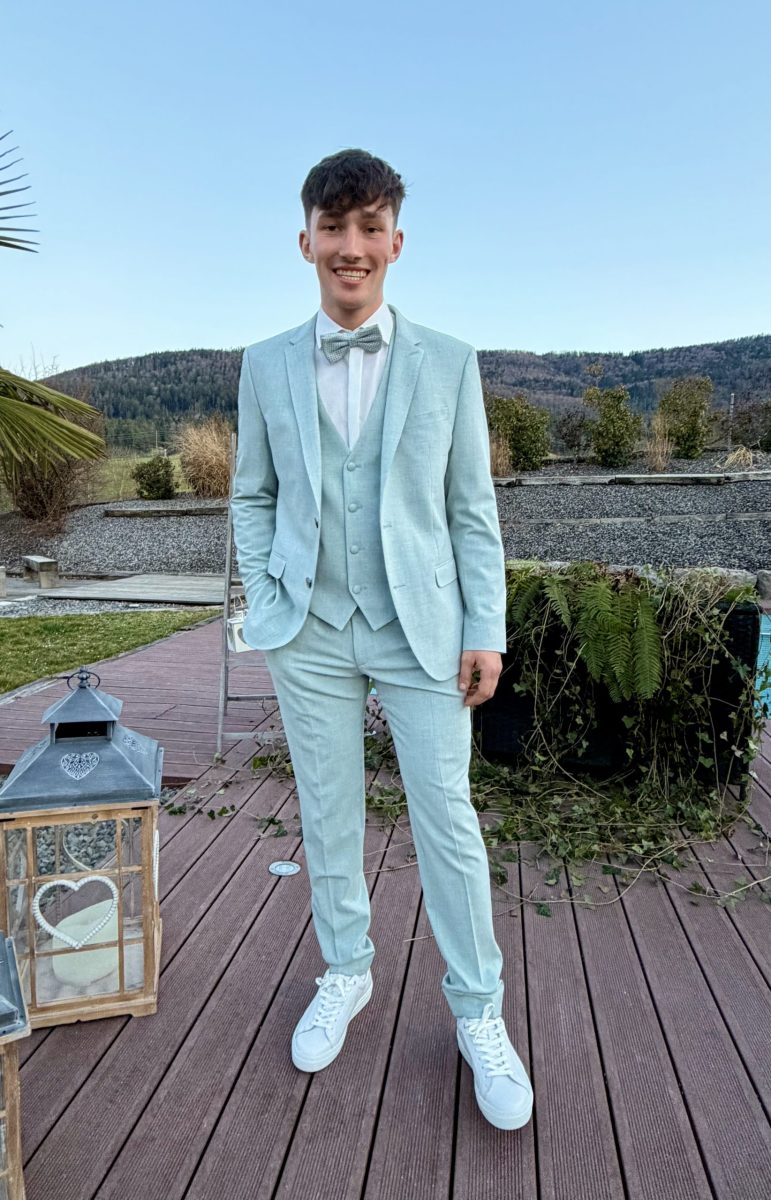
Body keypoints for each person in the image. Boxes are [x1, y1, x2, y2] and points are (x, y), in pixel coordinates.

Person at [230, 148, 533, 1131]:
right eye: (334, 227)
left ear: (396, 242)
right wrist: (270, 592)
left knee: (445, 816)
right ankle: (346, 970)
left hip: (422, 629)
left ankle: (478, 1011)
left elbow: (471, 510)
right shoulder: (265, 364)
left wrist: (484, 627)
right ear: (305, 241)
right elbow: (251, 495)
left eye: (370, 227)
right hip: (308, 629)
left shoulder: (448, 360)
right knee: (327, 809)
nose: (351, 246)